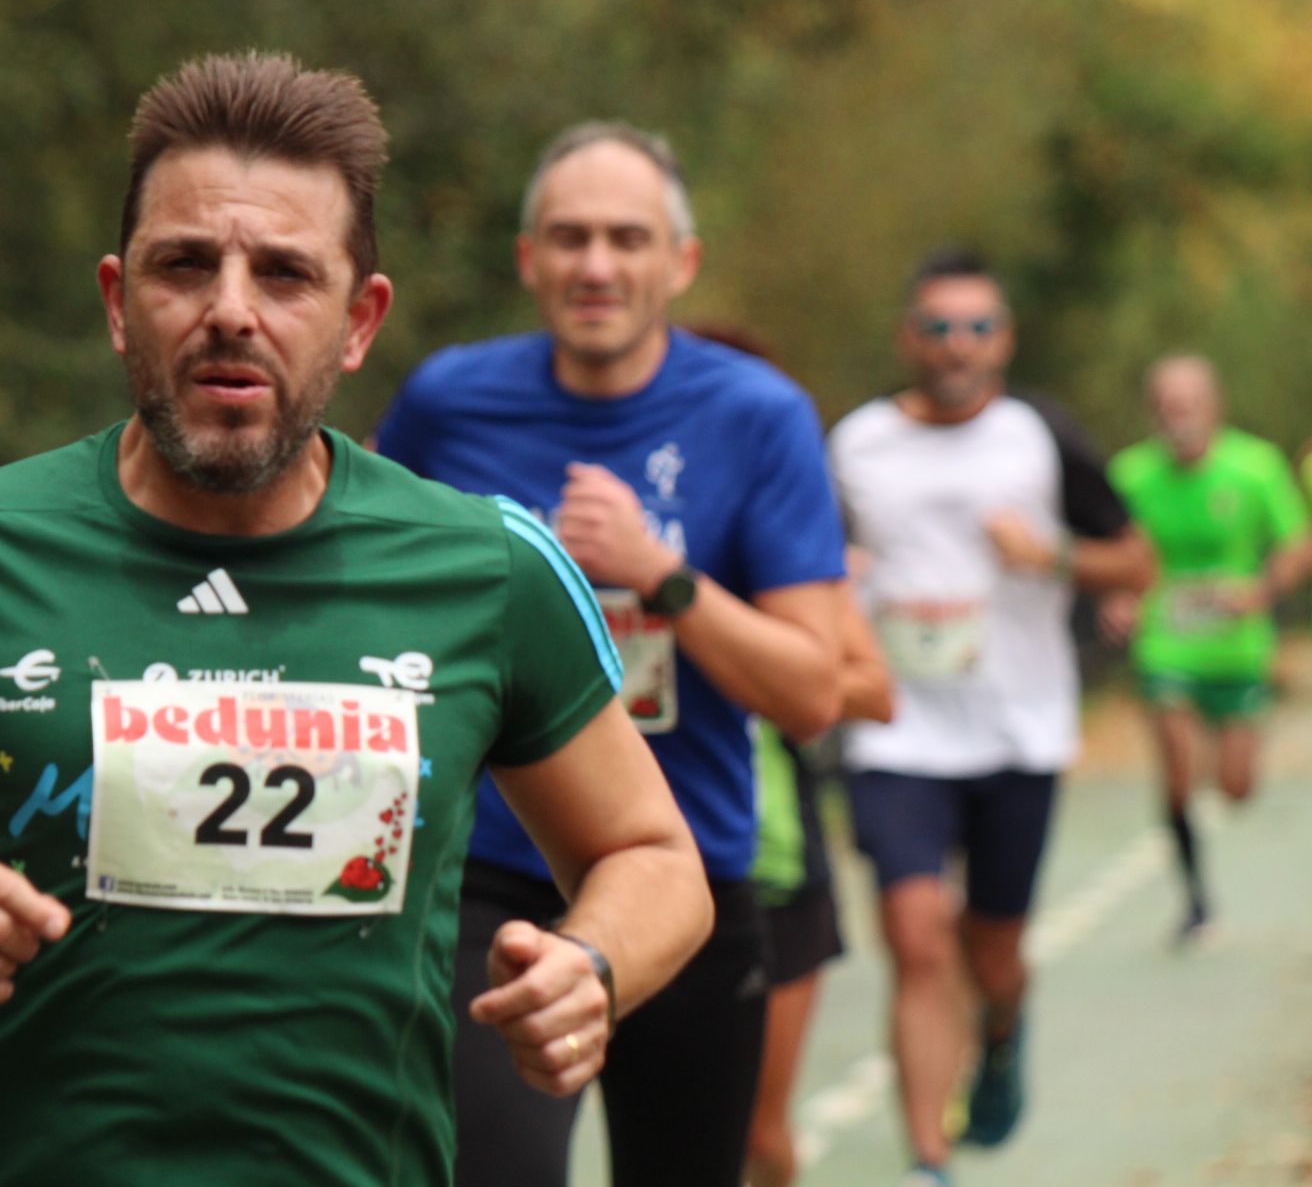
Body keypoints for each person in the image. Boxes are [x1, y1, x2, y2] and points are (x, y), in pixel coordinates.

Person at [0, 54, 714, 1187]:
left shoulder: (487, 566)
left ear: (357, 320)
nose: (231, 309)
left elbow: (654, 854)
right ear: (117, 302)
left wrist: (593, 961)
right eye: (185, 265)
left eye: (285, 273)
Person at [375, 124, 848, 1187]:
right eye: (570, 237)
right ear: (527, 258)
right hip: (490, 871)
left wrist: (659, 574)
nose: (597, 265)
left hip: (686, 876)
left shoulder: (757, 415)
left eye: (627, 239)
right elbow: (355, 586)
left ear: (679, 263)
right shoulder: (450, 403)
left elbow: (814, 692)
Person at [827, 248, 1154, 1187]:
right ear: (908, 338)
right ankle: (929, 1162)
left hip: (1019, 729)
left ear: (1003, 340)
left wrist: (1050, 554)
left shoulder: (1040, 437)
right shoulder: (855, 444)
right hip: (898, 728)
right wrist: (835, 578)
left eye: (976, 327)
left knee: (993, 950)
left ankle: (1003, 1031)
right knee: (916, 936)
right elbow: (807, 559)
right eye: (937, 327)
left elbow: (1137, 565)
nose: (956, 345)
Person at [685, 327, 898, 1187]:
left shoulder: (789, 561)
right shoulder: (614, 530)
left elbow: (872, 690)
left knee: (757, 1133)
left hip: (769, 861)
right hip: (605, 856)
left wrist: (754, 663)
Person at [1102, 354, 1311, 941]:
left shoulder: (1255, 466)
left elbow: (1297, 544)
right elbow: (1116, 557)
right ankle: (1194, 898)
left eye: (1189, 404)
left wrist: (1261, 589)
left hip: (1237, 649)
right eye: (1168, 406)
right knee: (1175, 768)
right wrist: (1120, 598)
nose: (1179, 417)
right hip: (1167, 644)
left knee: (1236, 788)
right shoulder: (1131, 475)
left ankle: (1231, 762)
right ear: (1153, 413)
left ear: (1214, 406)